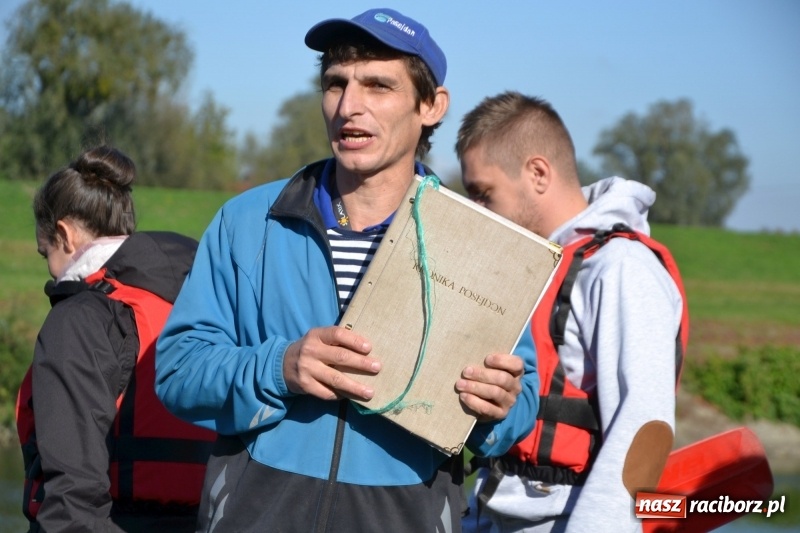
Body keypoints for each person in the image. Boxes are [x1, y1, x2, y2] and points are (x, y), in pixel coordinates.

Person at [154, 9, 540, 532]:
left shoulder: (486, 247)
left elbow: (517, 411)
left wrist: (496, 409)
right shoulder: (247, 222)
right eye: (336, 84)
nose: (349, 107)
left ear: (431, 106)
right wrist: (279, 368)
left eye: (378, 86)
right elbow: (178, 372)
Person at [455, 92, 688, 532]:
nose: (479, 214)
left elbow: (643, 428)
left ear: (538, 173)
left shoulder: (622, 269)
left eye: (484, 195)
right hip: (490, 509)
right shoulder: (527, 265)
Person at [15, 145, 216, 532]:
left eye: (46, 255)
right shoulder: (204, 300)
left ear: (64, 235)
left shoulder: (79, 320)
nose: (51, 272)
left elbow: (73, 503)